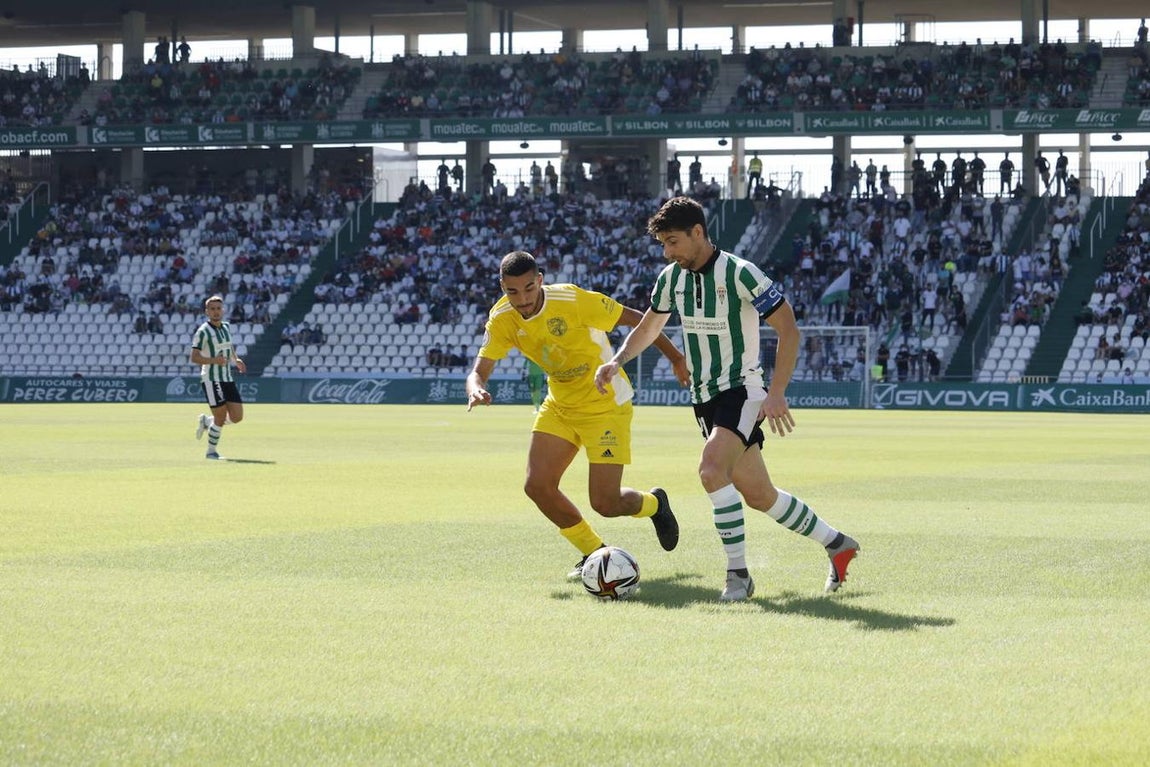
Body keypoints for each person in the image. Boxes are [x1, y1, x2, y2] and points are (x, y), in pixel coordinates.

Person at [593, 197, 860, 601]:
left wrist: (777, 393)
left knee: (711, 470)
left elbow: (789, 329)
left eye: (673, 242)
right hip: (703, 398)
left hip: (741, 389)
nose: (668, 252)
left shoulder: (740, 273)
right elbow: (650, 327)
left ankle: (738, 577)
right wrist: (617, 360)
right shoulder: (670, 278)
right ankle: (838, 543)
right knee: (759, 495)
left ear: (698, 233)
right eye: (663, 244)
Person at [466, 251, 690, 580]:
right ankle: (594, 554)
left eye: (529, 288)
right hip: (560, 404)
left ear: (540, 280)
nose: (523, 299)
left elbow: (641, 320)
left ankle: (655, 504)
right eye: (512, 292)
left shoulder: (572, 300)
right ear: (503, 287)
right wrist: (475, 388)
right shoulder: (501, 318)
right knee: (537, 486)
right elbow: (477, 371)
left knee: (606, 503)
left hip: (605, 404)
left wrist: (675, 357)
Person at [191, 295, 247, 460]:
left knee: (237, 417)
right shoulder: (203, 332)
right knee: (221, 417)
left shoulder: (226, 327)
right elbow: (194, 357)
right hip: (211, 378)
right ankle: (211, 452)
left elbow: (228, 346)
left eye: (218, 308)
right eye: (212, 309)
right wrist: (213, 360)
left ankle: (207, 422)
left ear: (223, 310)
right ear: (207, 311)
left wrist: (235, 359)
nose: (216, 312)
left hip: (227, 377)